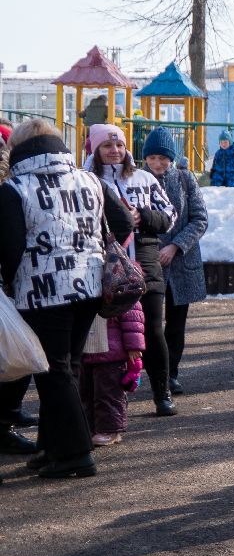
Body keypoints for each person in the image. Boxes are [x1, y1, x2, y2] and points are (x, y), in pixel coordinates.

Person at [1, 118, 133, 479]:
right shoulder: (90, 180)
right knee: (68, 366)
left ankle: (77, 453)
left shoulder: (15, 188)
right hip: (89, 287)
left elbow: (10, 247)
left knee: (52, 370)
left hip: (41, 291)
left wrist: (9, 284)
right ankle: (52, 448)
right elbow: (123, 223)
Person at [86, 124, 179, 414]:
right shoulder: (87, 180)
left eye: (120, 146)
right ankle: (114, 395)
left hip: (146, 263)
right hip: (105, 267)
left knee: (152, 329)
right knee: (112, 334)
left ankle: (162, 393)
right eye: (107, 146)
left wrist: (143, 216)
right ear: (96, 150)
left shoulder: (145, 178)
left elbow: (169, 216)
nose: (115, 151)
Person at [142, 127, 207, 399]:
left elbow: (200, 218)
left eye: (163, 158)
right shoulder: (137, 180)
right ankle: (157, 374)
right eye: (153, 157)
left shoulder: (184, 178)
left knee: (177, 323)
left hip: (182, 261)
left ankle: (172, 374)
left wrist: (176, 245)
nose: (158, 163)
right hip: (149, 262)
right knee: (150, 323)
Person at [80, 295, 144, 447]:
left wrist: (133, 347)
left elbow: (132, 315)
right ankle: (90, 427)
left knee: (108, 393)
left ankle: (110, 429)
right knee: (86, 391)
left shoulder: (118, 281)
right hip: (86, 348)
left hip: (111, 350)